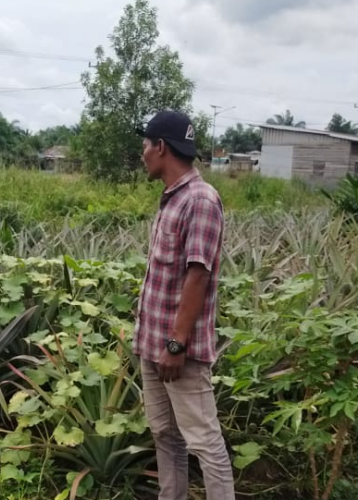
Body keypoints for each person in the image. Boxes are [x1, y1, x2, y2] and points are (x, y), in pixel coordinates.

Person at [133, 110, 234, 500]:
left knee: (204, 442)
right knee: (165, 435)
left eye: (145, 145)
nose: (142, 153)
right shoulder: (172, 199)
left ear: (161, 147)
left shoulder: (201, 199)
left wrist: (176, 344)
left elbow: (198, 274)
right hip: (152, 345)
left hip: (178, 351)